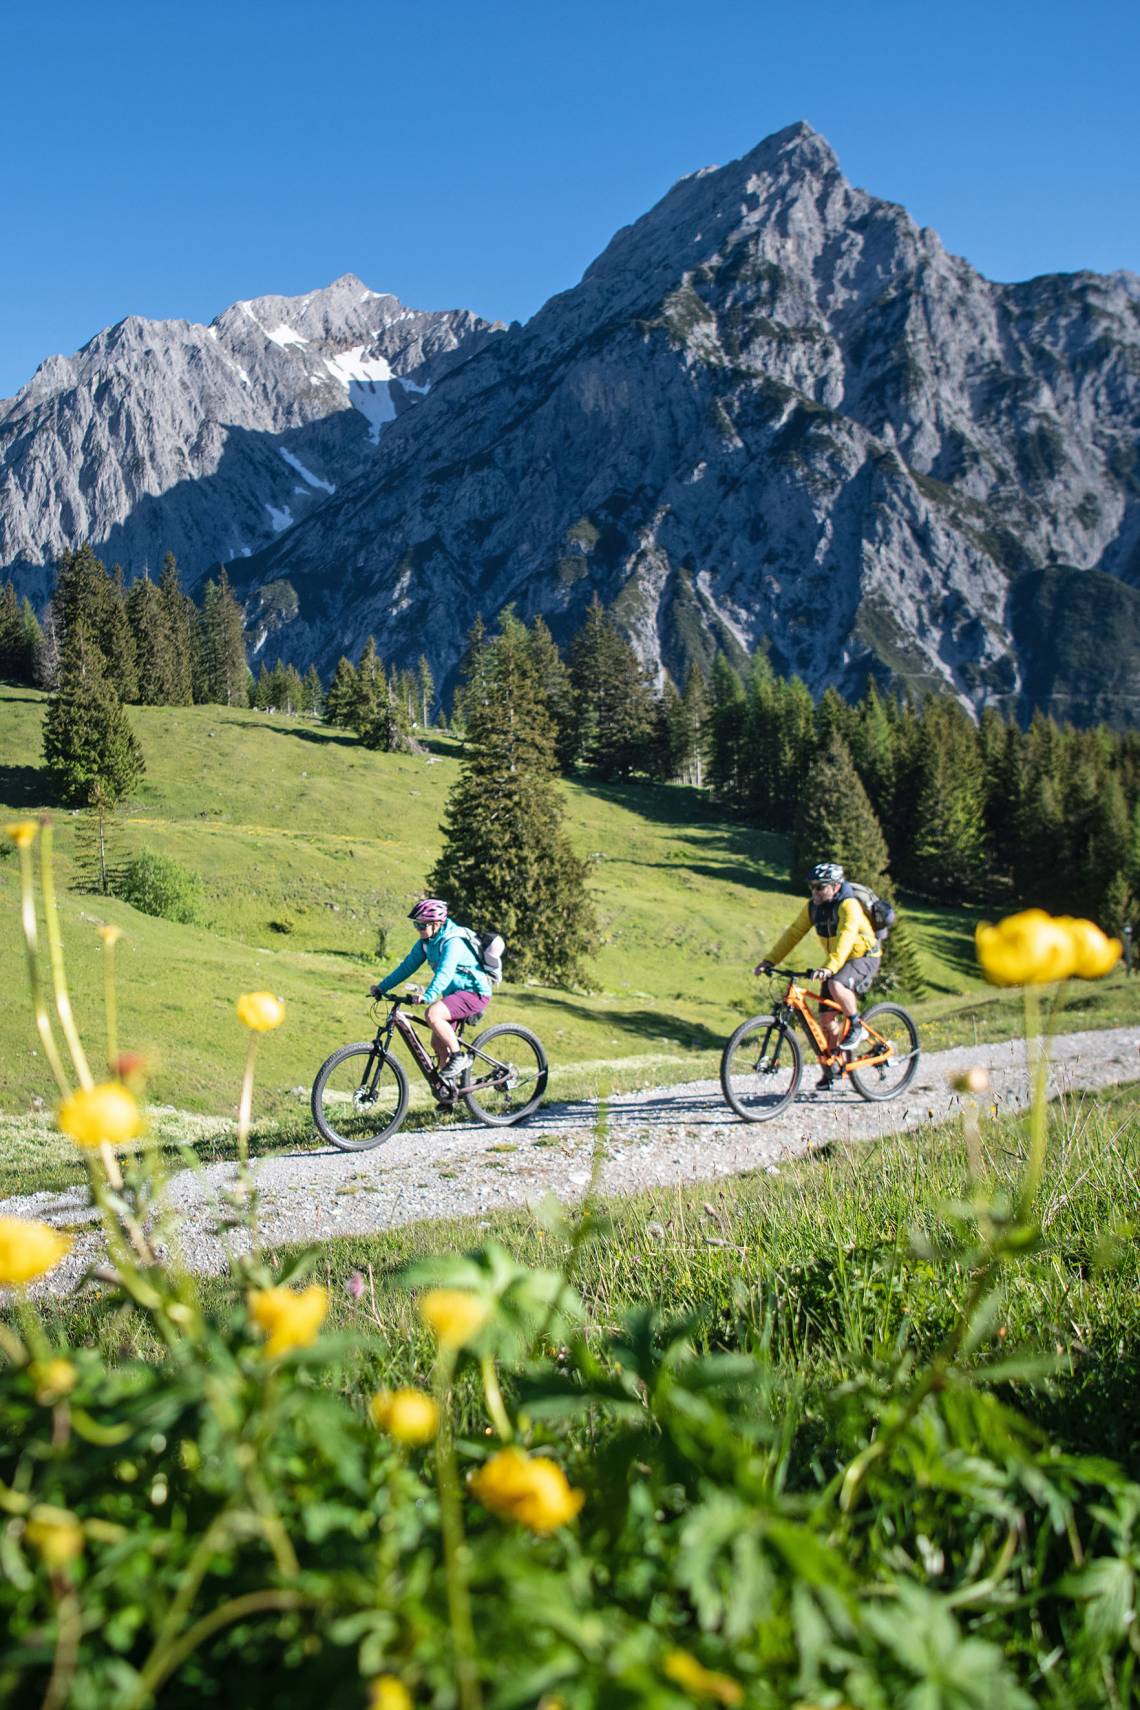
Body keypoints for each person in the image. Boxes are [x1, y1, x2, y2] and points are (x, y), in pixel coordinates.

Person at [754, 862, 881, 1088]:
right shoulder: (813, 907)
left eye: (820, 887)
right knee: (825, 1019)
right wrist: (769, 960)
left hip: (863, 956)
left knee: (835, 984)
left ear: (835, 886)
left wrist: (830, 967)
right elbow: (793, 933)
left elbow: (846, 936)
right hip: (837, 960)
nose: (814, 892)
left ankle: (855, 1024)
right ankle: (833, 1067)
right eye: (812, 887)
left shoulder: (849, 905)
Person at [371, 898, 492, 1080]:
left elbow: (445, 972)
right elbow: (406, 967)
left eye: (421, 925)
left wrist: (429, 996)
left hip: (474, 992)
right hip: (454, 995)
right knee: (437, 1042)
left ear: (436, 924)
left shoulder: (453, 942)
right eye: (416, 925)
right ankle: (448, 1094)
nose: (418, 929)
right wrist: (382, 987)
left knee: (433, 1014)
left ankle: (460, 1057)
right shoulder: (426, 943)